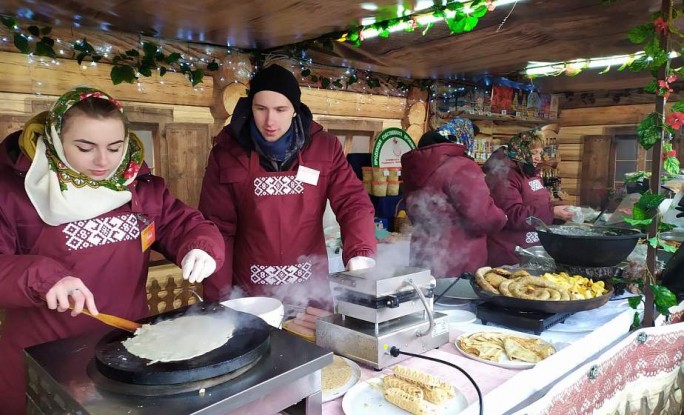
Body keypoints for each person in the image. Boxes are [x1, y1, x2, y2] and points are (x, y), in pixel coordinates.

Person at [0, 87, 225, 414]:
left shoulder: (140, 188)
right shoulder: (14, 193)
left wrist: (201, 247)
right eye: (85, 147)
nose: (103, 161)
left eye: (114, 147)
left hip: (121, 359)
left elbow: (186, 224)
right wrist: (44, 278)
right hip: (41, 362)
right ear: (55, 138)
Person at [199, 64, 376, 307]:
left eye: (281, 109)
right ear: (250, 108)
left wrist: (360, 252)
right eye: (261, 109)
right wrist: (218, 300)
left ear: (295, 109)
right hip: (250, 296)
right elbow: (219, 228)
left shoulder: (325, 148)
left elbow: (352, 202)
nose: (270, 121)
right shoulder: (227, 153)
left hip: (311, 291)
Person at [401, 118, 507, 278]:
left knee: (425, 300)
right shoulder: (462, 166)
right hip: (457, 263)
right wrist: (501, 217)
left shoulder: (417, 165)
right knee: (454, 303)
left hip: (422, 256)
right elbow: (481, 217)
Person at [484, 129, 574, 266]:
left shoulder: (532, 173)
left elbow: (540, 205)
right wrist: (552, 213)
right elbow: (512, 215)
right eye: (533, 153)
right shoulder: (504, 176)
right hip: (508, 253)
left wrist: (556, 215)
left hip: (531, 250)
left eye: (540, 153)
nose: (539, 158)